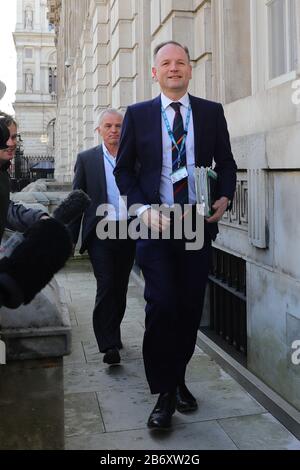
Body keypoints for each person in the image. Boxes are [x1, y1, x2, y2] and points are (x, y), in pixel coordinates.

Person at [114, 41, 237, 430]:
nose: (173, 68)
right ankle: (164, 394)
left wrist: (226, 197)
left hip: (197, 225)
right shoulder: (138, 115)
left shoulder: (211, 112)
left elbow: (228, 164)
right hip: (156, 225)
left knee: (187, 309)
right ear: (155, 72)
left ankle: (179, 378)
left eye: (180, 62)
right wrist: (142, 209)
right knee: (161, 305)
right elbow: (123, 172)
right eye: (165, 63)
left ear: (189, 70)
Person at [69, 109, 136, 365]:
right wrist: (69, 238)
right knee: (106, 284)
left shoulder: (133, 158)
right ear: (99, 130)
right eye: (108, 126)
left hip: (129, 230)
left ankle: (114, 332)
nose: (114, 131)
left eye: (118, 126)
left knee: (119, 287)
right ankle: (107, 345)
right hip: (100, 232)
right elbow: (77, 200)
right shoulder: (87, 159)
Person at [0, 113, 48, 246]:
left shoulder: (3, 172)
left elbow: (6, 209)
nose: (10, 143)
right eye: (4, 137)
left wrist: (38, 217)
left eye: (14, 137)